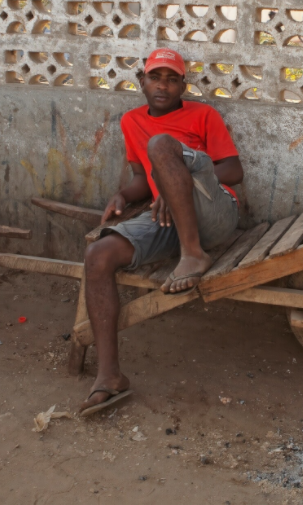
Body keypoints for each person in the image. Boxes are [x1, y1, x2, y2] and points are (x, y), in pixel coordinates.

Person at [79, 48, 243, 415]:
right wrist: (123, 194)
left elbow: (233, 171)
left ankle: (193, 255)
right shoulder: (131, 121)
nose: (163, 86)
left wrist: (178, 182)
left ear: (183, 85)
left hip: (214, 214)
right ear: (142, 82)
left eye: (172, 79)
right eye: (156, 77)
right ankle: (109, 377)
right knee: (98, 256)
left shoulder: (204, 114)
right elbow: (141, 178)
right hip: (168, 218)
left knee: (162, 145)